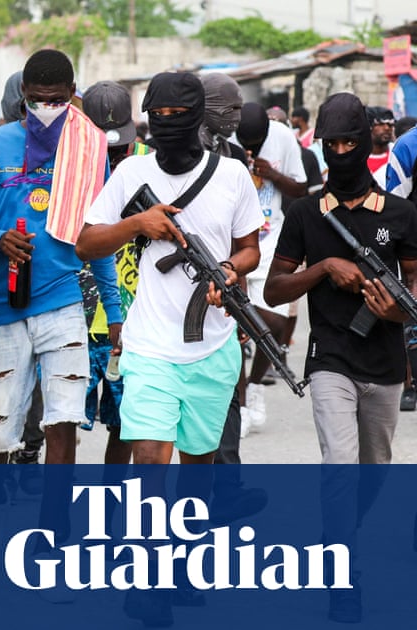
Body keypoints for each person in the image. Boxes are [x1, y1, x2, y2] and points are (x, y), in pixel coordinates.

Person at [263, 92, 416, 624]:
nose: (342, 152)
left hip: (386, 361)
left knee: (373, 474)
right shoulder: (307, 213)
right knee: (338, 470)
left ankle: (338, 529)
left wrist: (395, 310)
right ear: (322, 146)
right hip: (330, 356)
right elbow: (275, 288)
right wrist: (324, 267)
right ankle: (341, 578)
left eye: (351, 143)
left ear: (367, 142)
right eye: (333, 145)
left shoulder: (401, 213)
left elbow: (414, 286)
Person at [0, 49, 118, 562]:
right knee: (0, 425)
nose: (47, 109)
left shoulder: (88, 149)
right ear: (22, 97)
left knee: (64, 419)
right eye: (37, 100)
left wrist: (114, 311)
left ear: (73, 95)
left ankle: (55, 530)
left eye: (57, 100)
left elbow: (96, 235)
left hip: (63, 301)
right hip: (6, 305)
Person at [76, 70, 262, 465]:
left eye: (177, 113)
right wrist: (136, 224)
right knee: (149, 463)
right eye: (158, 114)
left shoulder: (232, 175)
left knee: (198, 470)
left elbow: (250, 250)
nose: (167, 122)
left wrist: (229, 269)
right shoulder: (132, 172)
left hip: (212, 348)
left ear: (197, 115)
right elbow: (86, 245)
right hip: (149, 347)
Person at [232, 102, 307, 430]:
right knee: (234, 326)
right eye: (245, 143)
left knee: (275, 324)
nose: (249, 148)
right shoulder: (227, 138)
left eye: (255, 143)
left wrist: (273, 174)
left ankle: (255, 385)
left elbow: (301, 189)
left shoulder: (283, 136)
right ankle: (239, 404)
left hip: (270, 239)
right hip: (233, 244)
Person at [78, 80, 138, 466]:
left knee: (126, 425)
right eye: (105, 150)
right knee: (62, 420)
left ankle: (112, 496)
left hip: (131, 323)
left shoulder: (148, 165)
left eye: (119, 150)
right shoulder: (70, 169)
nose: (113, 160)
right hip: (76, 320)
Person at [366, 106, 396, 186]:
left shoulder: (398, 154)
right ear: (369, 126)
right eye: (381, 124)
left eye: (390, 124)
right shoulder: (356, 156)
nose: (387, 128)